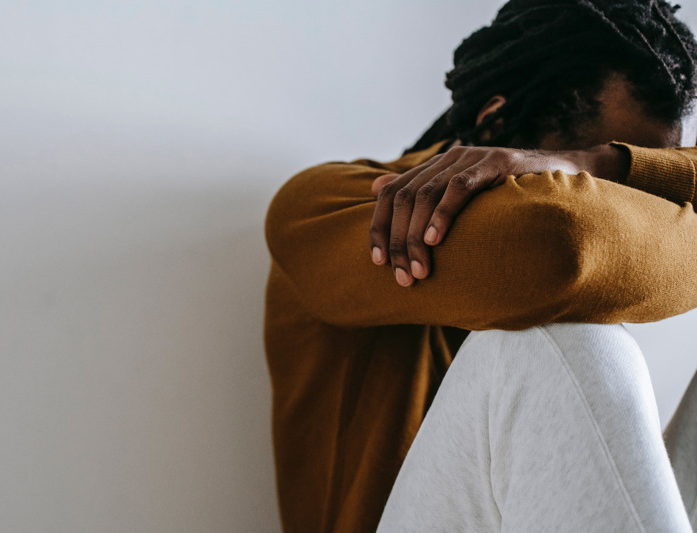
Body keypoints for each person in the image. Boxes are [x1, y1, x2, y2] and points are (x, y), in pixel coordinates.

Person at [264, 1, 697, 531]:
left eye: (651, 182)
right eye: (593, 188)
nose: (634, 213)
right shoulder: (326, 207)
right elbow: (559, 246)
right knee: (550, 337)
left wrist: (599, 164)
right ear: (494, 124)